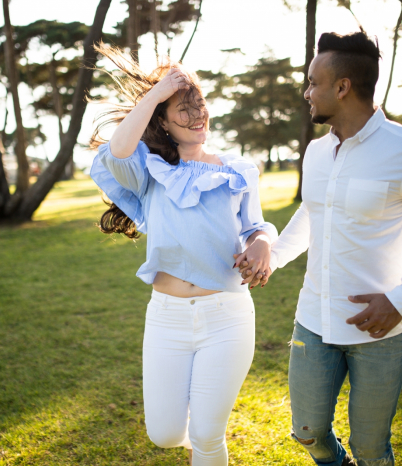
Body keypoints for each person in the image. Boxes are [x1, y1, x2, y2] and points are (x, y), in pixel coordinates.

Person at [239, 31, 402, 466]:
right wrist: (272, 253)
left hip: (380, 331)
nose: (307, 93)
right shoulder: (315, 152)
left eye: (313, 82)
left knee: (370, 448)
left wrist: (401, 298)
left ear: (343, 87)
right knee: (306, 432)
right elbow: (313, 214)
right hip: (313, 319)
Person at [89, 44, 278, 466]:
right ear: (162, 120)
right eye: (183, 110)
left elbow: (255, 227)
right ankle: (198, 435)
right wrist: (156, 93)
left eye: (200, 105)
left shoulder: (236, 169)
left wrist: (262, 244)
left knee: (208, 434)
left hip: (226, 315)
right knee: (164, 433)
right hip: (167, 319)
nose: (197, 117)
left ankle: (207, 439)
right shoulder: (148, 170)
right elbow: (119, 148)